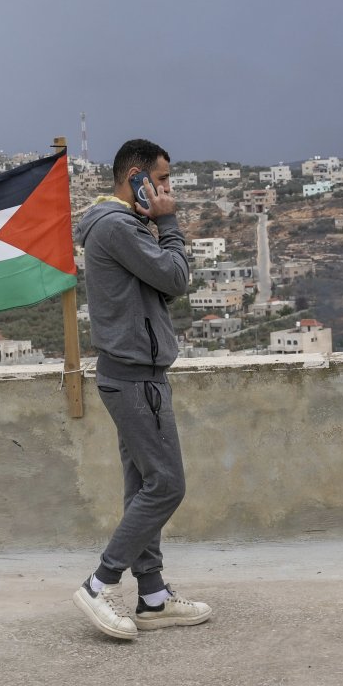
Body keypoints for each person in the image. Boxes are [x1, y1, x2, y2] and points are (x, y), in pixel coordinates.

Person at [70, 138, 213, 639]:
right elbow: (175, 277)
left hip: (134, 373)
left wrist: (155, 224)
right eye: (164, 179)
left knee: (143, 487)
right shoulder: (117, 227)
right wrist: (168, 222)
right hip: (135, 377)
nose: (170, 189)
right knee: (167, 485)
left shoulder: (122, 226)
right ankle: (98, 584)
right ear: (137, 177)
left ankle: (151, 595)